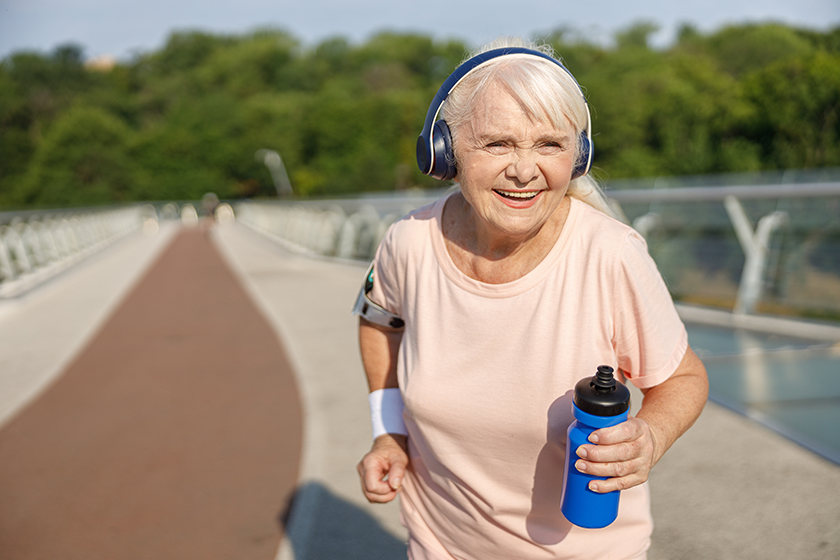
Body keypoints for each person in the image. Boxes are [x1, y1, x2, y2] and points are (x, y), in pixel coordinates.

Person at [353, 37, 708, 560]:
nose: (524, 170)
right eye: (497, 144)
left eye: (549, 145)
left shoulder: (610, 256)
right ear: (445, 151)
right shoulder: (409, 242)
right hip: (438, 543)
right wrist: (389, 433)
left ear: (578, 154)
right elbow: (379, 322)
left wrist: (649, 438)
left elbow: (682, 378)